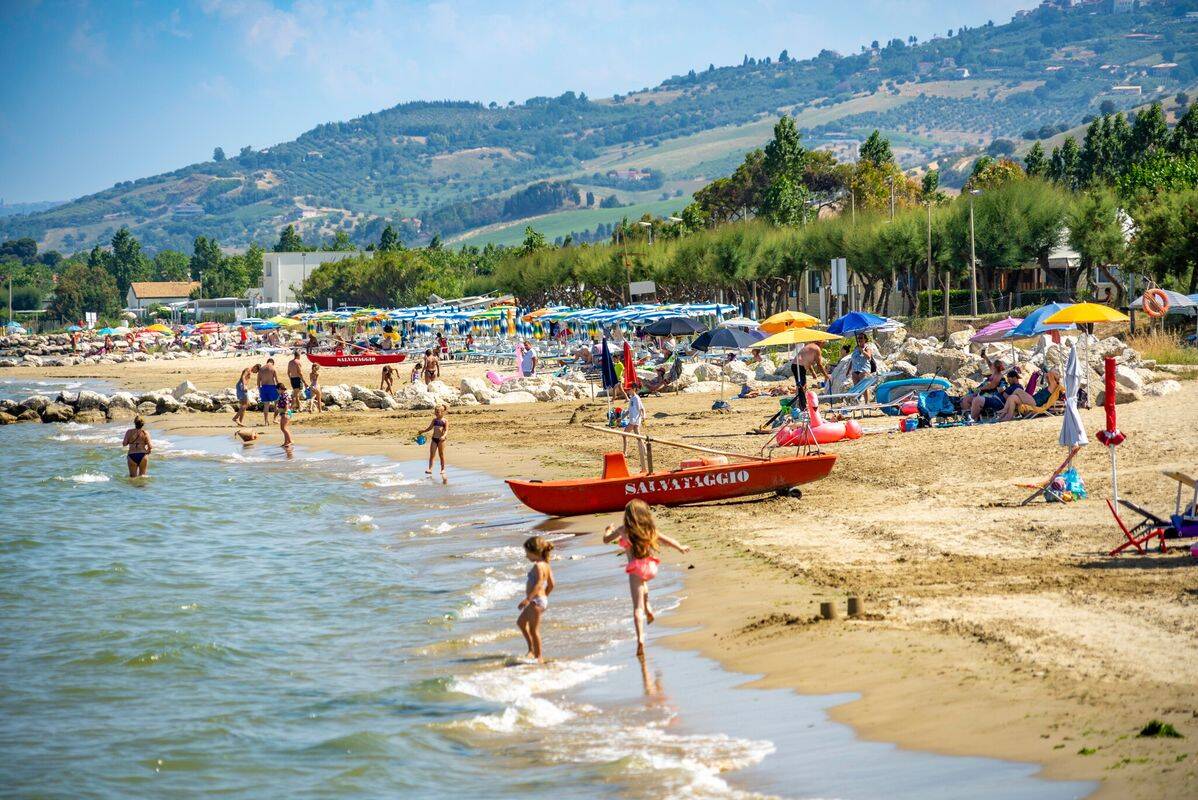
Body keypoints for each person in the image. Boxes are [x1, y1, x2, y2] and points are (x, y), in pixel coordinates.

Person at [603, 500, 689, 656]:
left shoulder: (623, 530)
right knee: (643, 583)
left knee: (637, 607)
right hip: (651, 567)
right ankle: (648, 607)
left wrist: (608, 530)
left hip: (636, 568)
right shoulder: (649, 529)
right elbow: (667, 541)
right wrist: (681, 547)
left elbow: (606, 540)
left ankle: (640, 638)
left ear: (628, 516)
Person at [517, 536, 555, 663]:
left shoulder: (539, 566)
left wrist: (528, 599)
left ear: (534, 552)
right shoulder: (546, 565)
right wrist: (544, 597)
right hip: (539, 600)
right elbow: (552, 584)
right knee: (521, 623)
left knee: (534, 629)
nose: (526, 556)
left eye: (527, 553)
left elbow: (539, 583)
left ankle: (539, 657)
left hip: (535, 601)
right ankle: (531, 649)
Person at [791, 341, 828, 411]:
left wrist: (813, 372)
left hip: (795, 365)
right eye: (824, 343)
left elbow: (808, 361)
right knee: (802, 387)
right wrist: (826, 375)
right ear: (821, 343)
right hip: (799, 367)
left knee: (801, 386)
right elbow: (819, 364)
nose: (824, 345)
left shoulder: (809, 346)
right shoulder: (817, 349)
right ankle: (802, 406)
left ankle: (799, 403)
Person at [417, 404, 448, 476]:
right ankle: (430, 469)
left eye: (438, 412)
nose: (436, 413)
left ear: (442, 412)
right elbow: (430, 428)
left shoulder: (445, 421)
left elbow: (446, 431)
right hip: (434, 439)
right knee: (432, 455)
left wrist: (443, 436)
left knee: (441, 455)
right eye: (435, 412)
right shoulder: (434, 420)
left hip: (441, 440)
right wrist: (423, 431)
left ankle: (442, 469)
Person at [623, 390, 647, 471]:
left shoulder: (636, 398)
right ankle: (645, 450)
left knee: (624, 434)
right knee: (638, 436)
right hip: (634, 420)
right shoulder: (632, 398)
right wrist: (621, 418)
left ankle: (624, 452)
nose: (627, 391)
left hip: (634, 420)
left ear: (633, 389)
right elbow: (629, 411)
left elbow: (642, 408)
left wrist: (644, 416)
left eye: (628, 390)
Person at [257, 358, 279, 425]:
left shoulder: (261, 369)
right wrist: (279, 389)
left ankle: (266, 421)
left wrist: (259, 390)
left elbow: (258, 382)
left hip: (263, 388)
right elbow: (277, 380)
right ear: (272, 362)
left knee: (266, 406)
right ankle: (275, 419)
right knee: (276, 404)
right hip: (272, 387)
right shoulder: (273, 368)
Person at [276, 382, 293, 447]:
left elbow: (286, 404)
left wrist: (285, 413)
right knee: (283, 428)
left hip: (286, 413)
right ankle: (286, 442)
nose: (277, 391)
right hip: (284, 412)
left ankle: (290, 441)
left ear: (280, 389)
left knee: (284, 428)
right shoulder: (282, 395)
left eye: (277, 390)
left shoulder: (284, 395)